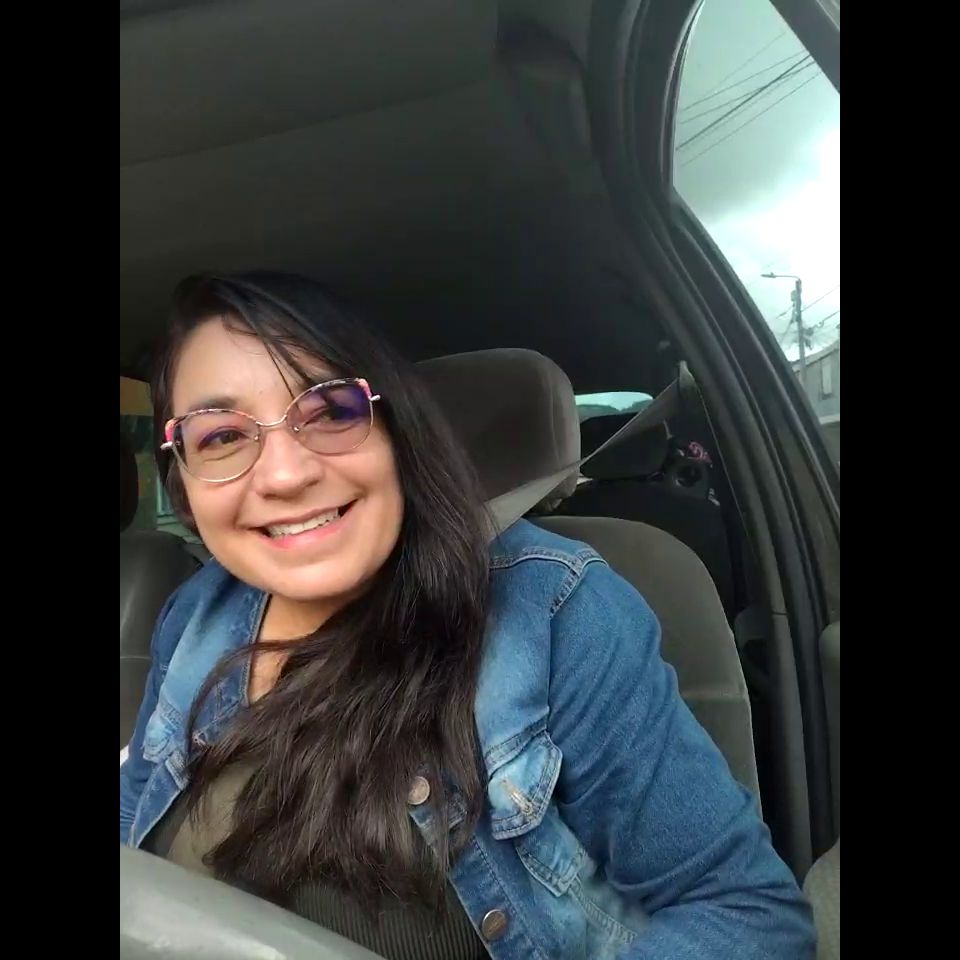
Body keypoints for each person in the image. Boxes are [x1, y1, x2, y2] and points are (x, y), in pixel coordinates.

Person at [119, 271, 815, 959]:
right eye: (222, 437)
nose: (284, 474)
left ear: (396, 430)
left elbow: (745, 913)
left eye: (331, 411)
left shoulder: (557, 612)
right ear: (184, 482)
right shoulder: (197, 613)